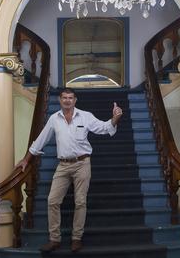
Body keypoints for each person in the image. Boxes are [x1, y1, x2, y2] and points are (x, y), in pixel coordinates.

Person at [15, 87, 123, 253]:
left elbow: (103, 128)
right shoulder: (54, 119)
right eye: (64, 97)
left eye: (70, 97)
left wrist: (115, 119)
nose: (67, 100)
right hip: (63, 165)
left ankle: (76, 238)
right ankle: (54, 239)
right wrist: (26, 159)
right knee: (52, 201)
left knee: (80, 201)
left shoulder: (85, 116)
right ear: (60, 100)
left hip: (82, 163)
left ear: (75, 100)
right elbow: (40, 141)